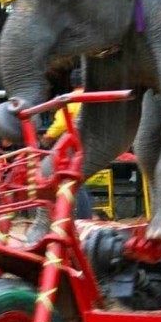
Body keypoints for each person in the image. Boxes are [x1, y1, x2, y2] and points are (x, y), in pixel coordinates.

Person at [41, 68, 93, 219]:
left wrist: (48, 136)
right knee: (81, 180)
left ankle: (83, 216)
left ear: (72, 83)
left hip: (75, 146)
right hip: (93, 142)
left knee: (76, 181)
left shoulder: (70, 99)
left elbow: (61, 123)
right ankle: (84, 214)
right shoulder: (91, 97)